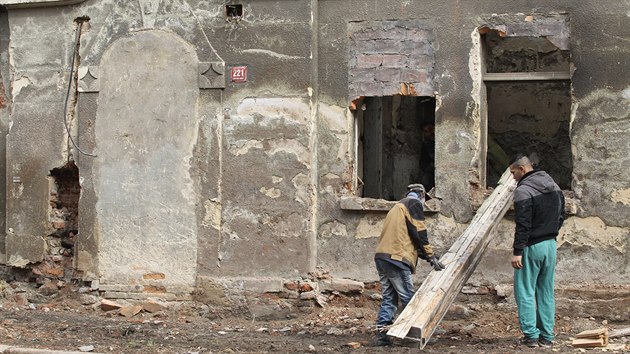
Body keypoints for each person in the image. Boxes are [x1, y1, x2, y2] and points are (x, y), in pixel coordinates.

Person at [373, 183, 445, 346]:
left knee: (389, 298)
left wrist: (428, 256)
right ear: (420, 194)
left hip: (383, 257)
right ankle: (415, 334)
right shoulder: (412, 203)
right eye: (424, 199)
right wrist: (431, 256)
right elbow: (420, 233)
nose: (423, 204)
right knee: (408, 298)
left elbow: (408, 238)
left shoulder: (397, 207)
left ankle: (382, 336)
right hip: (397, 258)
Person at [509, 154, 565, 348]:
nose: (513, 177)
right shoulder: (554, 186)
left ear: (522, 169)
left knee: (524, 290)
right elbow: (561, 215)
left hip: (531, 247)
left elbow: (522, 224)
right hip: (550, 245)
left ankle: (531, 336)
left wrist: (518, 251)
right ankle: (547, 336)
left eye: (513, 172)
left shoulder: (523, 190)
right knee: (546, 291)